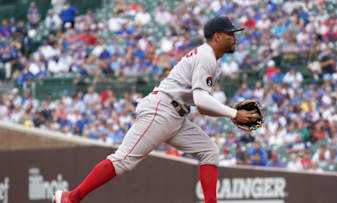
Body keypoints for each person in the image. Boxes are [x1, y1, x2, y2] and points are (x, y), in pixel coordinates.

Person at [53, 16, 260, 203]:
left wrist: (231, 115)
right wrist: (233, 113)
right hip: (162, 109)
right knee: (124, 160)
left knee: (209, 151)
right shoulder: (206, 57)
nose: (235, 37)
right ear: (217, 36)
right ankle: (71, 198)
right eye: (231, 33)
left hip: (175, 115)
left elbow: (202, 105)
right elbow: (201, 99)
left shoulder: (209, 59)